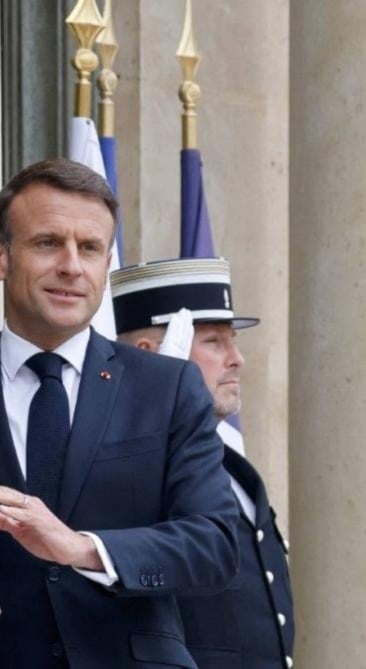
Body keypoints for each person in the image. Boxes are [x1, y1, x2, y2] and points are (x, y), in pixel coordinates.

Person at [0, 158, 239, 668]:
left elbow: (214, 544)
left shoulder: (168, 387)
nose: (72, 265)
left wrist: (81, 549)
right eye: (48, 243)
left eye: (89, 248)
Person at [112, 257, 295, 669]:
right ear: (151, 354)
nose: (237, 359)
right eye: (214, 342)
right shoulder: (130, 466)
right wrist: (162, 405)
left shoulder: (231, 467)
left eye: (233, 340)